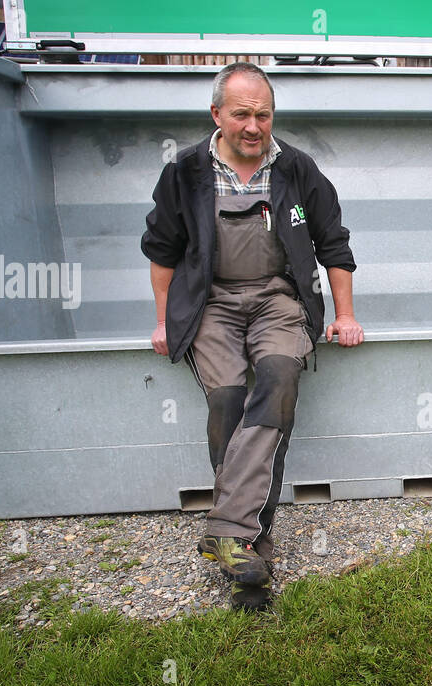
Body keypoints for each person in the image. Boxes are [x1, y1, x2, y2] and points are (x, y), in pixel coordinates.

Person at [142, 62, 363, 612]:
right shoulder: (186, 172)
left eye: (263, 114)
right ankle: (249, 538)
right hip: (211, 300)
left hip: (277, 298)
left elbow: (333, 244)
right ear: (216, 114)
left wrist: (344, 314)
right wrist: (165, 319)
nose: (253, 125)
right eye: (241, 113)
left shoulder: (297, 169)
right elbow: (163, 252)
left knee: (279, 378)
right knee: (227, 399)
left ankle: (229, 533)